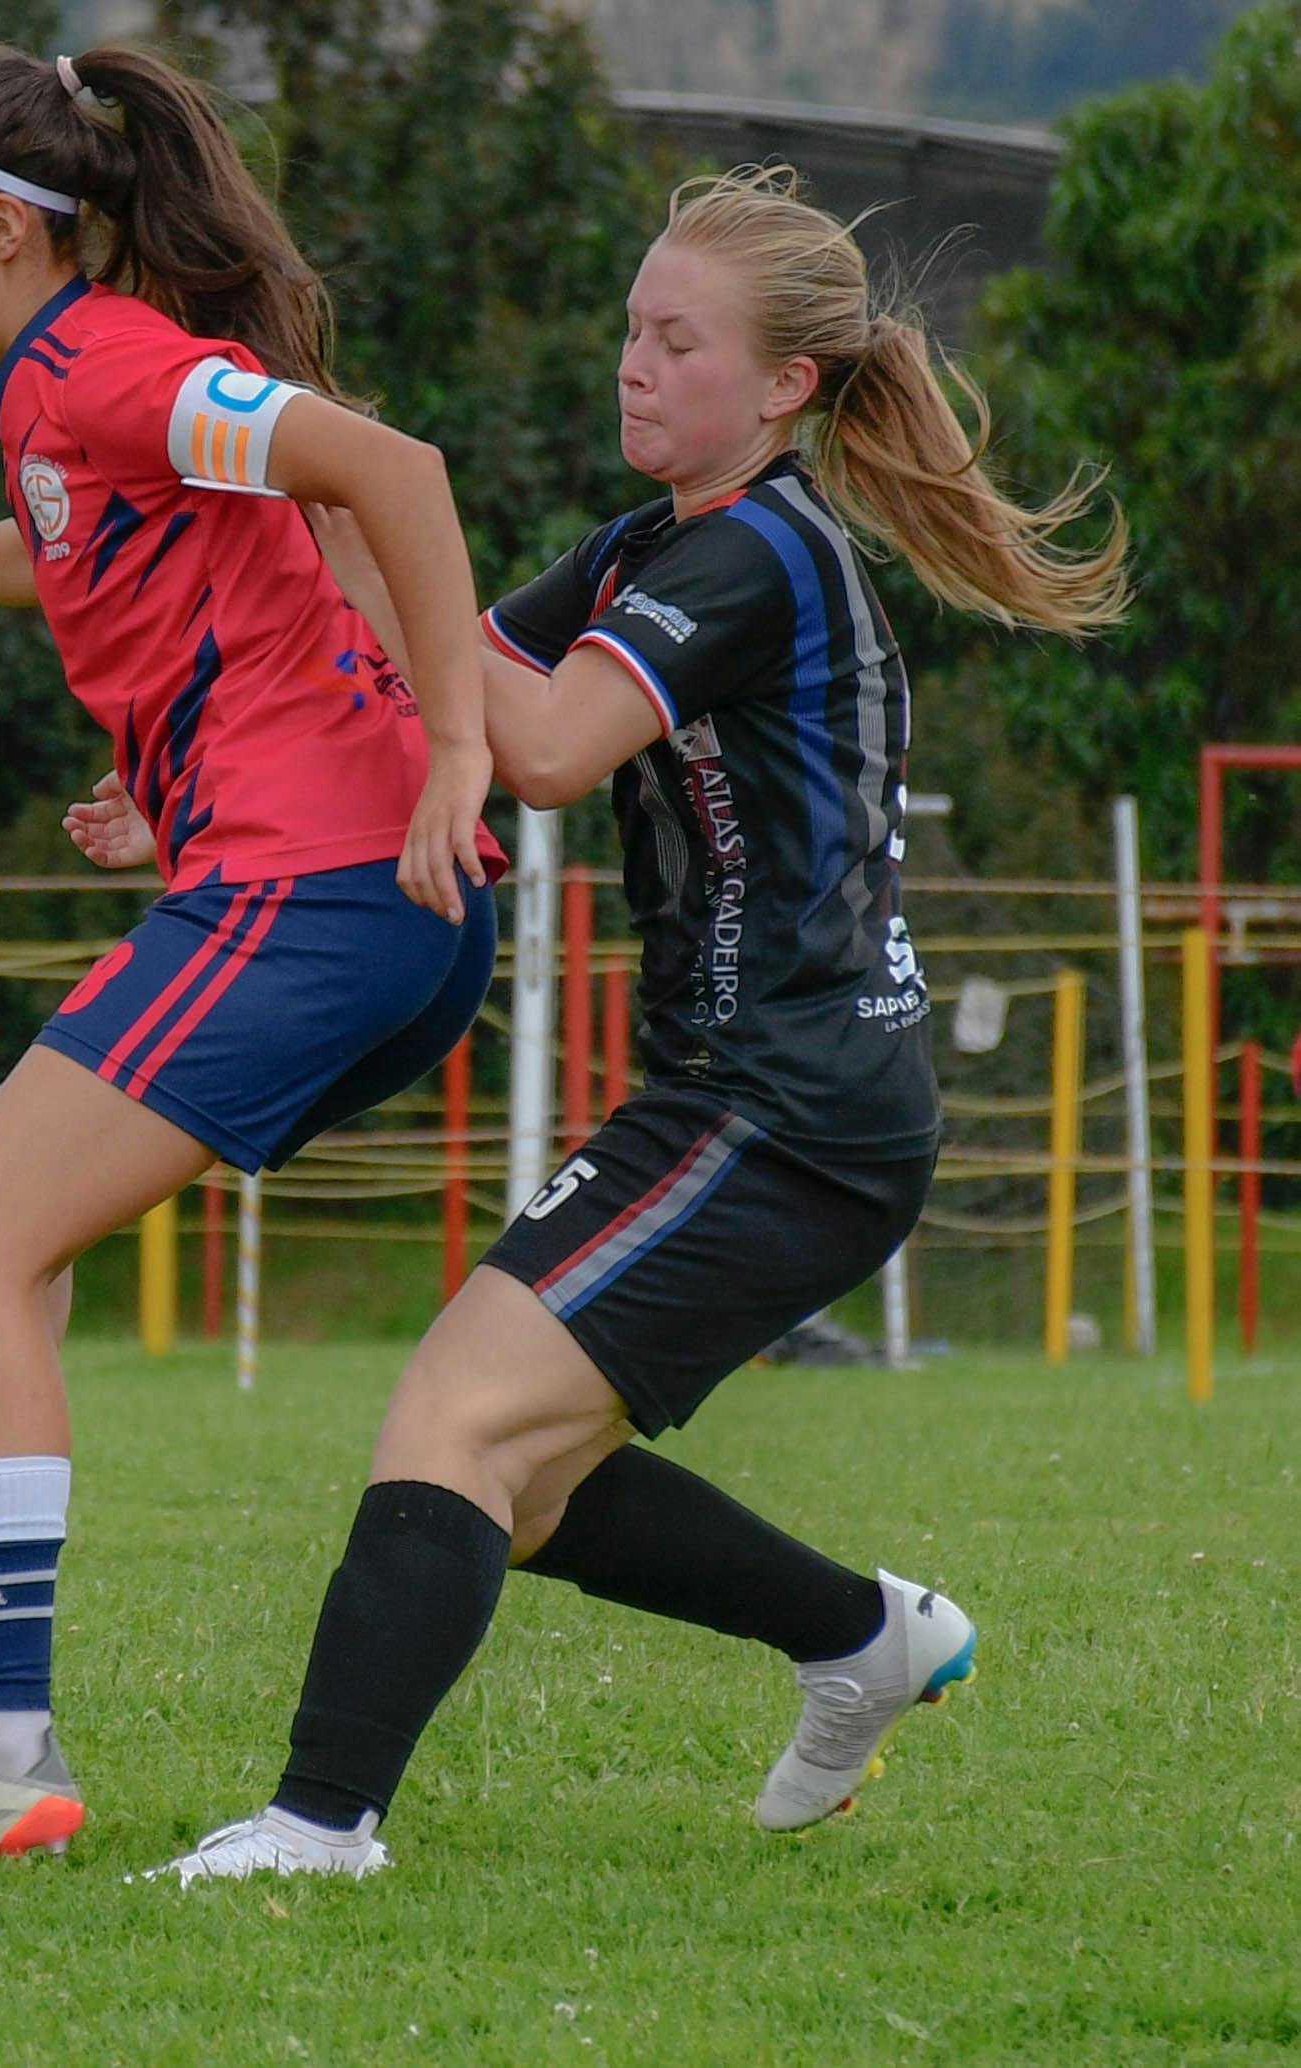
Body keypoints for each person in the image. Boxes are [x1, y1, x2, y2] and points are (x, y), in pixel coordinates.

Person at [153, 165, 1125, 1884]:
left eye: (678, 343)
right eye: (630, 330)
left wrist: (358, 499)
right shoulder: (651, 545)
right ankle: (858, 1636)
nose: (635, 365)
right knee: (509, 1482)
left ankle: (318, 1829)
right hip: (756, 1100)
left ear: (783, 389)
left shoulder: (758, 551)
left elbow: (531, 749)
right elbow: (428, 688)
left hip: (795, 1108)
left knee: (452, 1420)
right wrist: (249, 661)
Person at [0, 40, 502, 1862]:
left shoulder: (119, 363)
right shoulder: (48, 391)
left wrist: (460, 753)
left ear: (5, 230)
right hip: (292, 884)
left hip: (327, 890)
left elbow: (387, 471)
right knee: (4, 1241)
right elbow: (71, 542)